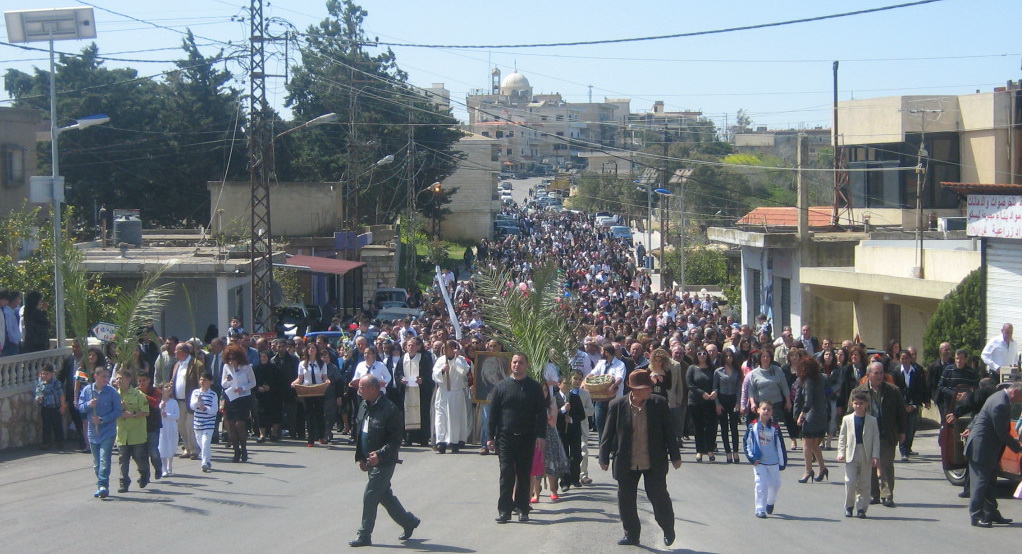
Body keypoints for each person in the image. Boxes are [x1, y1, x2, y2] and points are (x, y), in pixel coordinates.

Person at [599, 370, 682, 547]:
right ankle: (631, 535)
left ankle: (668, 528)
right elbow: (608, 434)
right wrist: (603, 457)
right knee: (626, 500)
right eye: (647, 388)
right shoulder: (617, 405)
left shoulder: (659, 403)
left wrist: (675, 456)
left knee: (659, 497)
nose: (651, 390)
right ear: (635, 390)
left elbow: (669, 431)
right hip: (626, 461)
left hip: (653, 461)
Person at [349, 375, 420, 547]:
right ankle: (408, 522)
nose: (359, 391)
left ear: (373, 389)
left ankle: (364, 534)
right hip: (369, 460)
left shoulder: (390, 410)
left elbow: (396, 440)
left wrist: (380, 455)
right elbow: (361, 432)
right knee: (384, 495)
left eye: (362, 388)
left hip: (384, 461)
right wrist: (361, 457)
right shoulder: (364, 405)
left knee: (371, 494)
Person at [487, 353, 547, 523]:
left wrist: (541, 436)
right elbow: (494, 414)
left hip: (528, 437)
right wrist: (490, 436)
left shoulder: (534, 387)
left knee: (523, 473)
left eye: (520, 363)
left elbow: (541, 414)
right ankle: (504, 510)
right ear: (510, 365)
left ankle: (522, 508)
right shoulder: (501, 387)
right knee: (506, 473)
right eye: (514, 362)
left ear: (526, 365)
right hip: (505, 437)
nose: (517, 365)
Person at [964, 382, 1022, 527]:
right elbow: (1001, 432)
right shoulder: (1000, 403)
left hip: (988, 448)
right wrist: (1018, 447)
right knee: (980, 482)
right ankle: (976, 516)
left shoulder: (1000, 396)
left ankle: (991, 512)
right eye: (1021, 397)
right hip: (981, 448)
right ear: (1014, 392)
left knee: (990, 482)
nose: (1020, 401)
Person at [850, 362, 906, 507]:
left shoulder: (893, 391)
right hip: (866, 435)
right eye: (876, 373)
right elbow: (850, 415)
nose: (880, 376)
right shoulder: (859, 392)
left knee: (886, 464)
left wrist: (902, 431)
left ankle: (887, 495)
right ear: (868, 375)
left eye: (881, 373)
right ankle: (874, 494)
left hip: (887, 433)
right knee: (870, 466)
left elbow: (901, 413)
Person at [77, 367, 122, 498]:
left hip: (108, 431)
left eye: (107, 377)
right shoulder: (87, 390)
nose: (106, 379)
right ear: (95, 376)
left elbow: (118, 411)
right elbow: (80, 407)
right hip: (93, 432)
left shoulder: (112, 392)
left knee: (104, 458)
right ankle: (100, 484)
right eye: (103, 376)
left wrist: (102, 419)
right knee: (96, 462)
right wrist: (89, 405)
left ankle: (103, 485)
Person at [836, 392, 880, 518]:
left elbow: (876, 439)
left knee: (864, 482)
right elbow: (842, 437)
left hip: (866, 452)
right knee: (850, 481)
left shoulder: (872, 420)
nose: (858, 406)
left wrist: (875, 456)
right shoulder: (847, 419)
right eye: (856, 403)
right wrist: (841, 452)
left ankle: (861, 508)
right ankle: (849, 506)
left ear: (866, 404)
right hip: (851, 452)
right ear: (852, 404)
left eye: (861, 403)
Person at [744, 400, 787, 518]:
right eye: (764, 409)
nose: (766, 411)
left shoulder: (775, 428)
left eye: (769, 409)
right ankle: (760, 509)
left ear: (772, 412)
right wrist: (752, 458)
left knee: (775, 484)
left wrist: (782, 462)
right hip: (759, 462)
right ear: (758, 410)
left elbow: (780, 445)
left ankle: (770, 502)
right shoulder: (753, 426)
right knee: (760, 484)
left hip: (773, 462)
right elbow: (747, 443)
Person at [114, 368, 150, 494]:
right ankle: (124, 482)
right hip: (122, 434)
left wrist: (133, 414)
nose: (118, 381)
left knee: (138, 457)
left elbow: (146, 411)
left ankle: (144, 473)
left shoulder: (138, 395)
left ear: (129, 379)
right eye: (117, 378)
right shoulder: (114, 395)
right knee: (123, 459)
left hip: (137, 434)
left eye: (121, 378)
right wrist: (120, 411)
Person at [793, 352, 828, 483]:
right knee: (814, 444)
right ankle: (822, 468)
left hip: (812, 414)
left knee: (806, 443)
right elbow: (829, 394)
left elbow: (808, 400)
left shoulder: (808, 380)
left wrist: (802, 414)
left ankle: (808, 470)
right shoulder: (823, 377)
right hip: (822, 413)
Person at [432, 340, 471, 454]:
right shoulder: (440, 360)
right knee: (441, 418)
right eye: (445, 349)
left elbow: (463, 372)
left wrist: (454, 362)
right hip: (443, 392)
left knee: (454, 418)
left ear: (454, 349)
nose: (446, 351)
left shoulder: (461, 360)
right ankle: (441, 442)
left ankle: (454, 442)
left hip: (455, 392)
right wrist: (442, 370)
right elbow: (434, 374)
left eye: (449, 348)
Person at [585, 343, 627, 443]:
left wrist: (613, 387)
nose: (601, 353)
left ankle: (613, 450)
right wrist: (586, 380)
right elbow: (593, 373)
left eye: (602, 351)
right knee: (600, 424)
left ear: (606, 352)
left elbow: (619, 378)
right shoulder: (601, 363)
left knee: (613, 425)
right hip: (600, 399)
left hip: (614, 400)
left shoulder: (620, 364)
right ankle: (603, 449)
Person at [221, 343, 256, 461]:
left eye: (233, 359)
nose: (231, 361)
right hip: (231, 397)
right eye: (229, 359)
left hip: (243, 398)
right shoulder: (226, 367)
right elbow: (223, 384)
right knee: (230, 425)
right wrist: (227, 380)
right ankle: (236, 451)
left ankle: (244, 449)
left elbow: (253, 383)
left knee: (239, 424)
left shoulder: (247, 367)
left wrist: (243, 388)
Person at [892, 349, 928, 461]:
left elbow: (921, 388)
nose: (905, 360)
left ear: (910, 359)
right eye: (902, 358)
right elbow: (895, 389)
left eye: (907, 358)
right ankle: (903, 451)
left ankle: (908, 448)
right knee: (903, 428)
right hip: (901, 405)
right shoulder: (896, 371)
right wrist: (903, 405)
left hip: (914, 404)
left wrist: (918, 403)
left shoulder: (917, 371)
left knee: (911, 428)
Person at [170, 342, 204, 459]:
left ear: (182, 352)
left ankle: (194, 449)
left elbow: (201, 381)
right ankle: (187, 448)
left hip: (191, 401)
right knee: (181, 426)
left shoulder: (196, 364)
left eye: (176, 351)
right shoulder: (177, 365)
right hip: (178, 401)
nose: (174, 353)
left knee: (190, 425)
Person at [296, 342, 331, 447]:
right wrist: (294, 383)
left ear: (316, 350)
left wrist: (327, 381)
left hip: (319, 390)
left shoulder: (321, 363)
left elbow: (324, 377)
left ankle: (321, 435)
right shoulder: (302, 364)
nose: (311, 350)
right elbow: (300, 379)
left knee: (319, 414)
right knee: (309, 415)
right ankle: (310, 439)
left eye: (313, 348)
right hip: (307, 390)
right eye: (309, 348)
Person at [687, 346, 718, 462]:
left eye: (704, 353)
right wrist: (702, 393)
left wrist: (715, 391)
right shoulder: (692, 368)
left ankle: (710, 450)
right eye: (699, 354)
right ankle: (699, 451)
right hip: (695, 401)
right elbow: (690, 384)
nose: (702, 356)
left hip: (710, 401)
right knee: (698, 427)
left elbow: (717, 382)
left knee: (710, 427)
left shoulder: (712, 368)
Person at [713, 349, 742, 463]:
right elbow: (715, 388)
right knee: (724, 428)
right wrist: (717, 404)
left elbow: (739, 388)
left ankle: (735, 452)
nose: (729, 358)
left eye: (730, 356)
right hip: (722, 399)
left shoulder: (737, 371)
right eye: (726, 356)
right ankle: (728, 452)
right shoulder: (718, 371)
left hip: (733, 399)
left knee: (734, 427)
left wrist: (738, 403)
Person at [135, 372, 163, 479]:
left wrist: (143, 395)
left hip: (153, 425)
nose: (142, 383)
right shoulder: (135, 392)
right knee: (142, 453)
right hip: (139, 426)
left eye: (144, 380)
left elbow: (156, 403)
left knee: (153, 451)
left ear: (149, 380)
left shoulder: (155, 391)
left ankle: (158, 467)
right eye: (140, 381)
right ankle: (145, 475)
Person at [253, 349, 285, 442]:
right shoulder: (256, 369)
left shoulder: (275, 369)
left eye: (265, 356)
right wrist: (258, 388)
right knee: (261, 415)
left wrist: (270, 387)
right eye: (261, 356)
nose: (263, 358)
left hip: (274, 396)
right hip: (261, 397)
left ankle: (274, 434)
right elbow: (252, 382)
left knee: (275, 415)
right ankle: (262, 435)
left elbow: (281, 382)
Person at [190, 372, 218, 473]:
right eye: (201, 379)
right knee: (201, 443)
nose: (202, 382)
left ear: (210, 382)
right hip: (198, 423)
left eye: (205, 380)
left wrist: (205, 408)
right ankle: (208, 458)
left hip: (208, 423)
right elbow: (192, 406)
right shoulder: (195, 392)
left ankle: (204, 463)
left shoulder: (213, 394)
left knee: (205, 442)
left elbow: (214, 409)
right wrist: (197, 402)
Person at [34, 364, 66, 450]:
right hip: (45, 408)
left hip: (55, 408)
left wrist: (62, 406)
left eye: (46, 374)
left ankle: (60, 442)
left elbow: (61, 395)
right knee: (46, 426)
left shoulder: (56, 383)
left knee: (57, 425)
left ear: (52, 374)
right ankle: (46, 443)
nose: (44, 376)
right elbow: (37, 395)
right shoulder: (40, 384)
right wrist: (38, 399)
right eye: (43, 374)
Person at [158, 382, 179, 477]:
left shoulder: (173, 402)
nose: (169, 388)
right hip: (162, 427)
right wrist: (160, 409)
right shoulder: (159, 402)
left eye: (170, 387)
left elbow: (177, 415)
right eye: (166, 387)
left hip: (171, 427)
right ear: (161, 390)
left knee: (171, 445)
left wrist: (168, 415)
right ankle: (164, 468)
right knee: (162, 446)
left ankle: (170, 464)